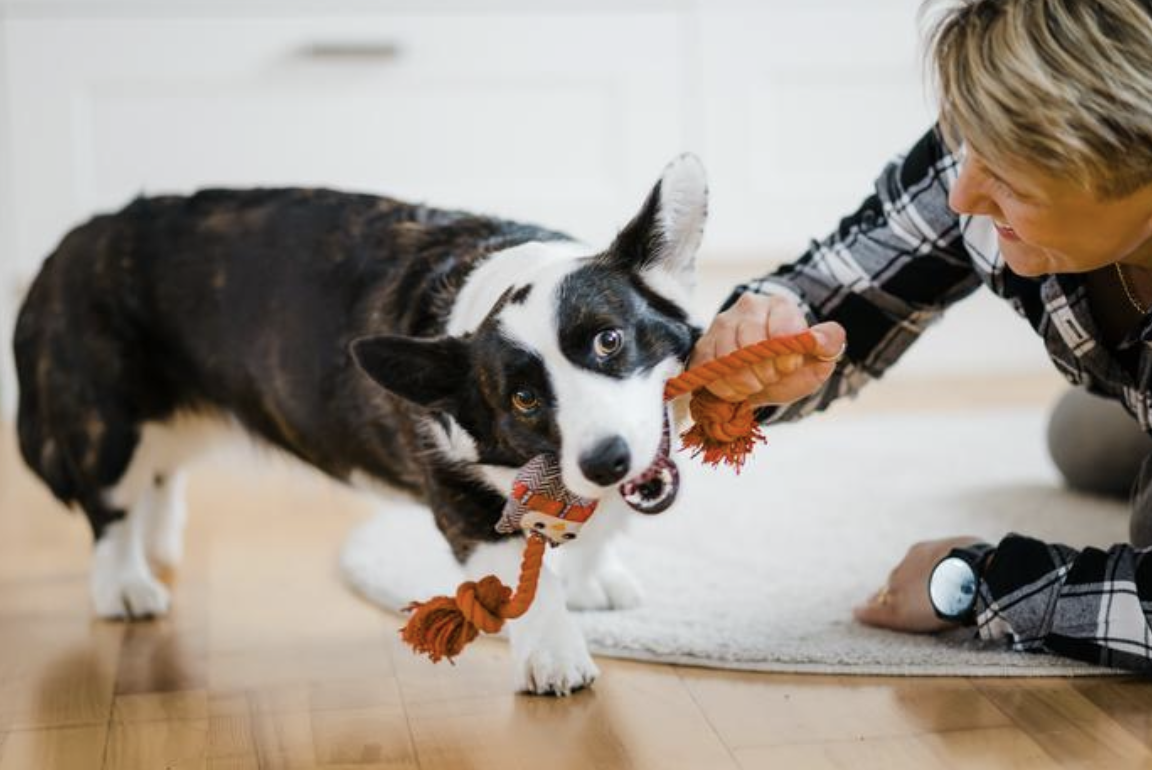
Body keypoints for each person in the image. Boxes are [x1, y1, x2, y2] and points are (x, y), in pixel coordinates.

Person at [690, 0, 1152, 670]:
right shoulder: (980, 157)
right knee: (1077, 440)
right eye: (968, 141)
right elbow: (832, 290)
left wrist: (976, 582)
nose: (963, 194)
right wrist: (763, 339)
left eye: (1011, 171)